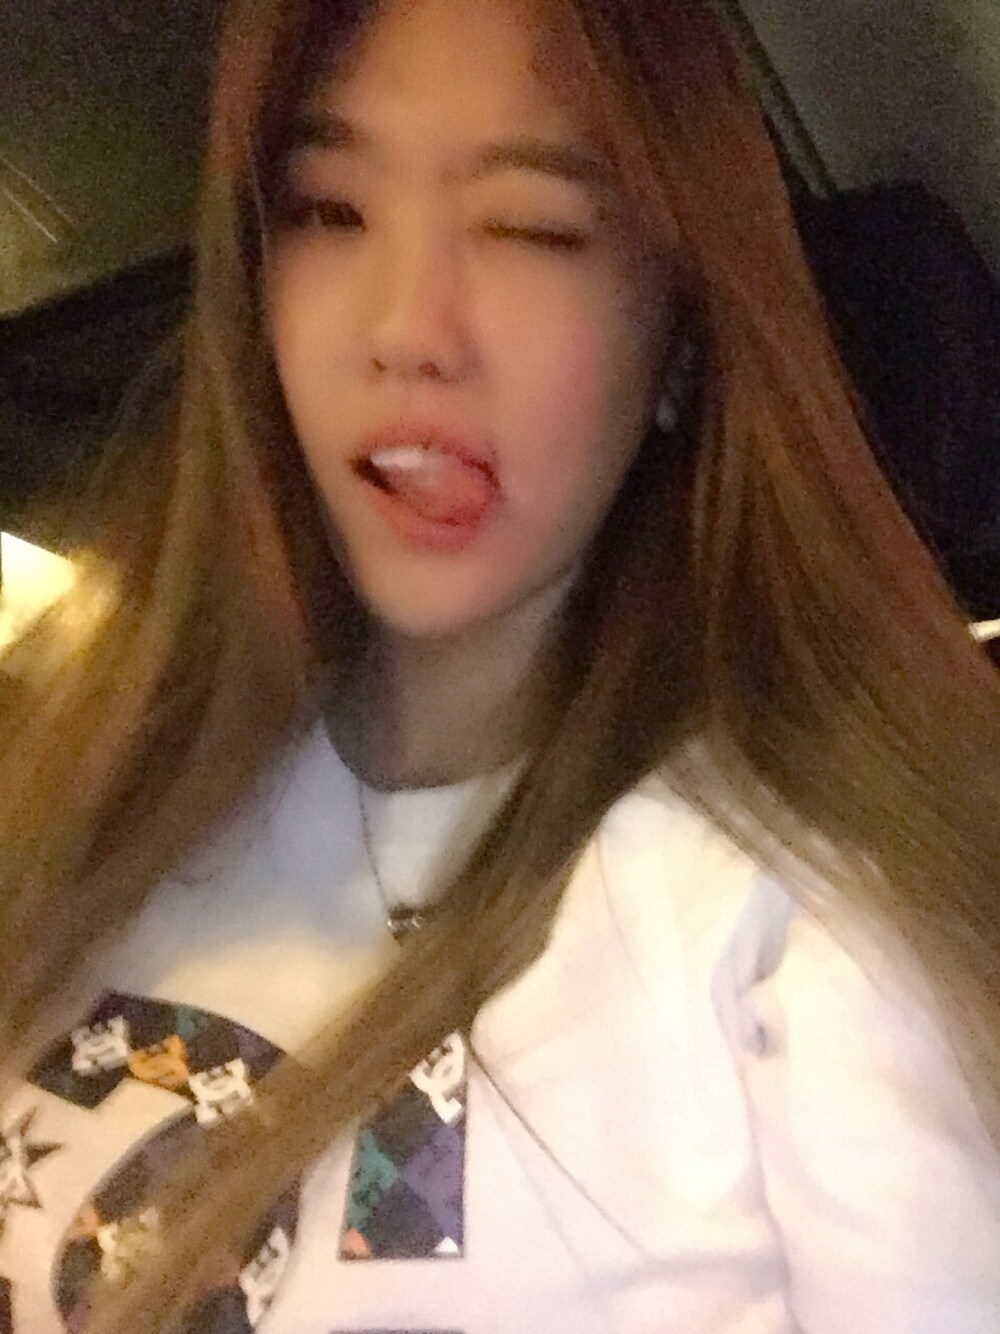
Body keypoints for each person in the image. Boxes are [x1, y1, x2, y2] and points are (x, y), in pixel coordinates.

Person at [1, 0, 1000, 1329]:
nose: (408, 327)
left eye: (529, 226)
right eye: (329, 210)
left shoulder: (796, 921)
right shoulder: (98, 774)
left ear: (682, 338)